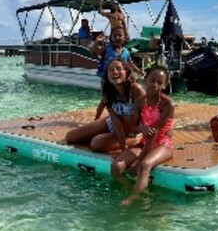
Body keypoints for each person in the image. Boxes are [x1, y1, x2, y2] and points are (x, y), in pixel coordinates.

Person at [111, 65, 175, 206]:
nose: (155, 85)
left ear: (165, 85)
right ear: (145, 79)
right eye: (152, 80)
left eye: (160, 82)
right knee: (116, 166)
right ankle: (131, 188)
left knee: (144, 165)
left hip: (163, 143)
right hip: (145, 141)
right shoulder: (140, 101)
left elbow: (154, 132)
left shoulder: (167, 105)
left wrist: (138, 160)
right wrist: (141, 128)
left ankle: (133, 198)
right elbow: (133, 128)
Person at [65, 59, 145, 152]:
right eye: (111, 70)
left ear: (126, 72)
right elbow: (114, 120)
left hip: (131, 130)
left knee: (95, 144)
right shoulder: (108, 91)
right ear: (107, 75)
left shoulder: (136, 90)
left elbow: (147, 116)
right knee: (70, 137)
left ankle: (133, 140)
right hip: (113, 123)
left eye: (118, 69)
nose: (115, 72)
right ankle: (106, 136)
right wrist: (122, 144)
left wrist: (125, 145)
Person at [90, 26, 145, 120]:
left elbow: (130, 63)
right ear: (111, 38)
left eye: (120, 35)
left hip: (121, 80)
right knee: (105, 100)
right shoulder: (106, 49)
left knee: (123, 98)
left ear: (125, 38)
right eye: (115, 36)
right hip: (107, 79)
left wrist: (139, 71)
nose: (117, 38)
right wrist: (96, 42)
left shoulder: (125, 51)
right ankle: (96, 119)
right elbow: (93, 53)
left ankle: (124, 116)